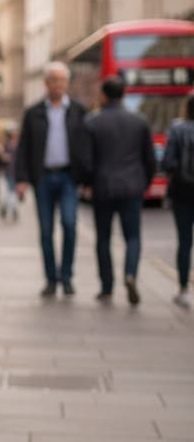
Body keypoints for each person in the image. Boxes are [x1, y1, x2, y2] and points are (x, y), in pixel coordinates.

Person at [15, 61, 90, 297]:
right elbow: (23, 148)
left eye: (61, 80)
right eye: (53, 80)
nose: (58, 84)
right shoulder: (33, 112)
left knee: (69, 224)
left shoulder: (79, 111)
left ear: (67, 84)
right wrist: (21, 179)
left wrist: (87, 179)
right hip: (43, 177)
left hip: (69, 176)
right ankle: (51, 279)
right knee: (46, 231)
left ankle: (66, 276)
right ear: (46, 83)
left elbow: (87, 148)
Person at [85, 75, 156, 304]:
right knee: (133, 236)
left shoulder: (92, 122)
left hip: (103, 186)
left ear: (104, 95)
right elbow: (150, 159)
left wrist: (87, 182)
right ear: (123, 95)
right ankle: (130, 274)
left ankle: (107, 287)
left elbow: (87, 160)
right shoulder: (139, 121)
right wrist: (144, 182)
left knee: (103, 238)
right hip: (132, 186)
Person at [162, 91, 194, 308]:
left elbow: (167, 162)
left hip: (182, 192)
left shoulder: (177, 128)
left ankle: (183, 288)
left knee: (184, 241)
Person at [0, 127, 19, 221]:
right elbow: (2, 157)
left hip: (15, 171)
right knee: (11, 191)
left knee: (11, 191)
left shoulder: (17, 145)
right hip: (9, 171)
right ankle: (12, 209)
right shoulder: (6, 145)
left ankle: (8, 208)